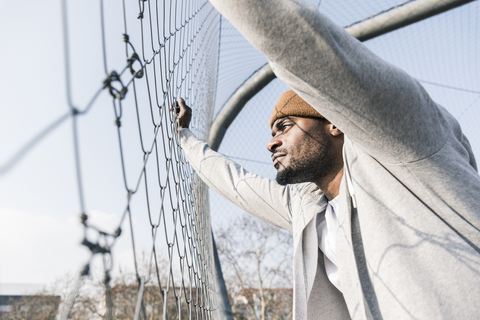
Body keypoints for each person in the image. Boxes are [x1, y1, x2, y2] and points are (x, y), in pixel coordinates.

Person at [176, 0, 480, 319]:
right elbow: (237, 183)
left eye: (284, 126)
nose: (270, 142)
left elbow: (299, 45)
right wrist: (186, 138)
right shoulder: (308, 210)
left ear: (334, 122)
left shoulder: (403, 142)